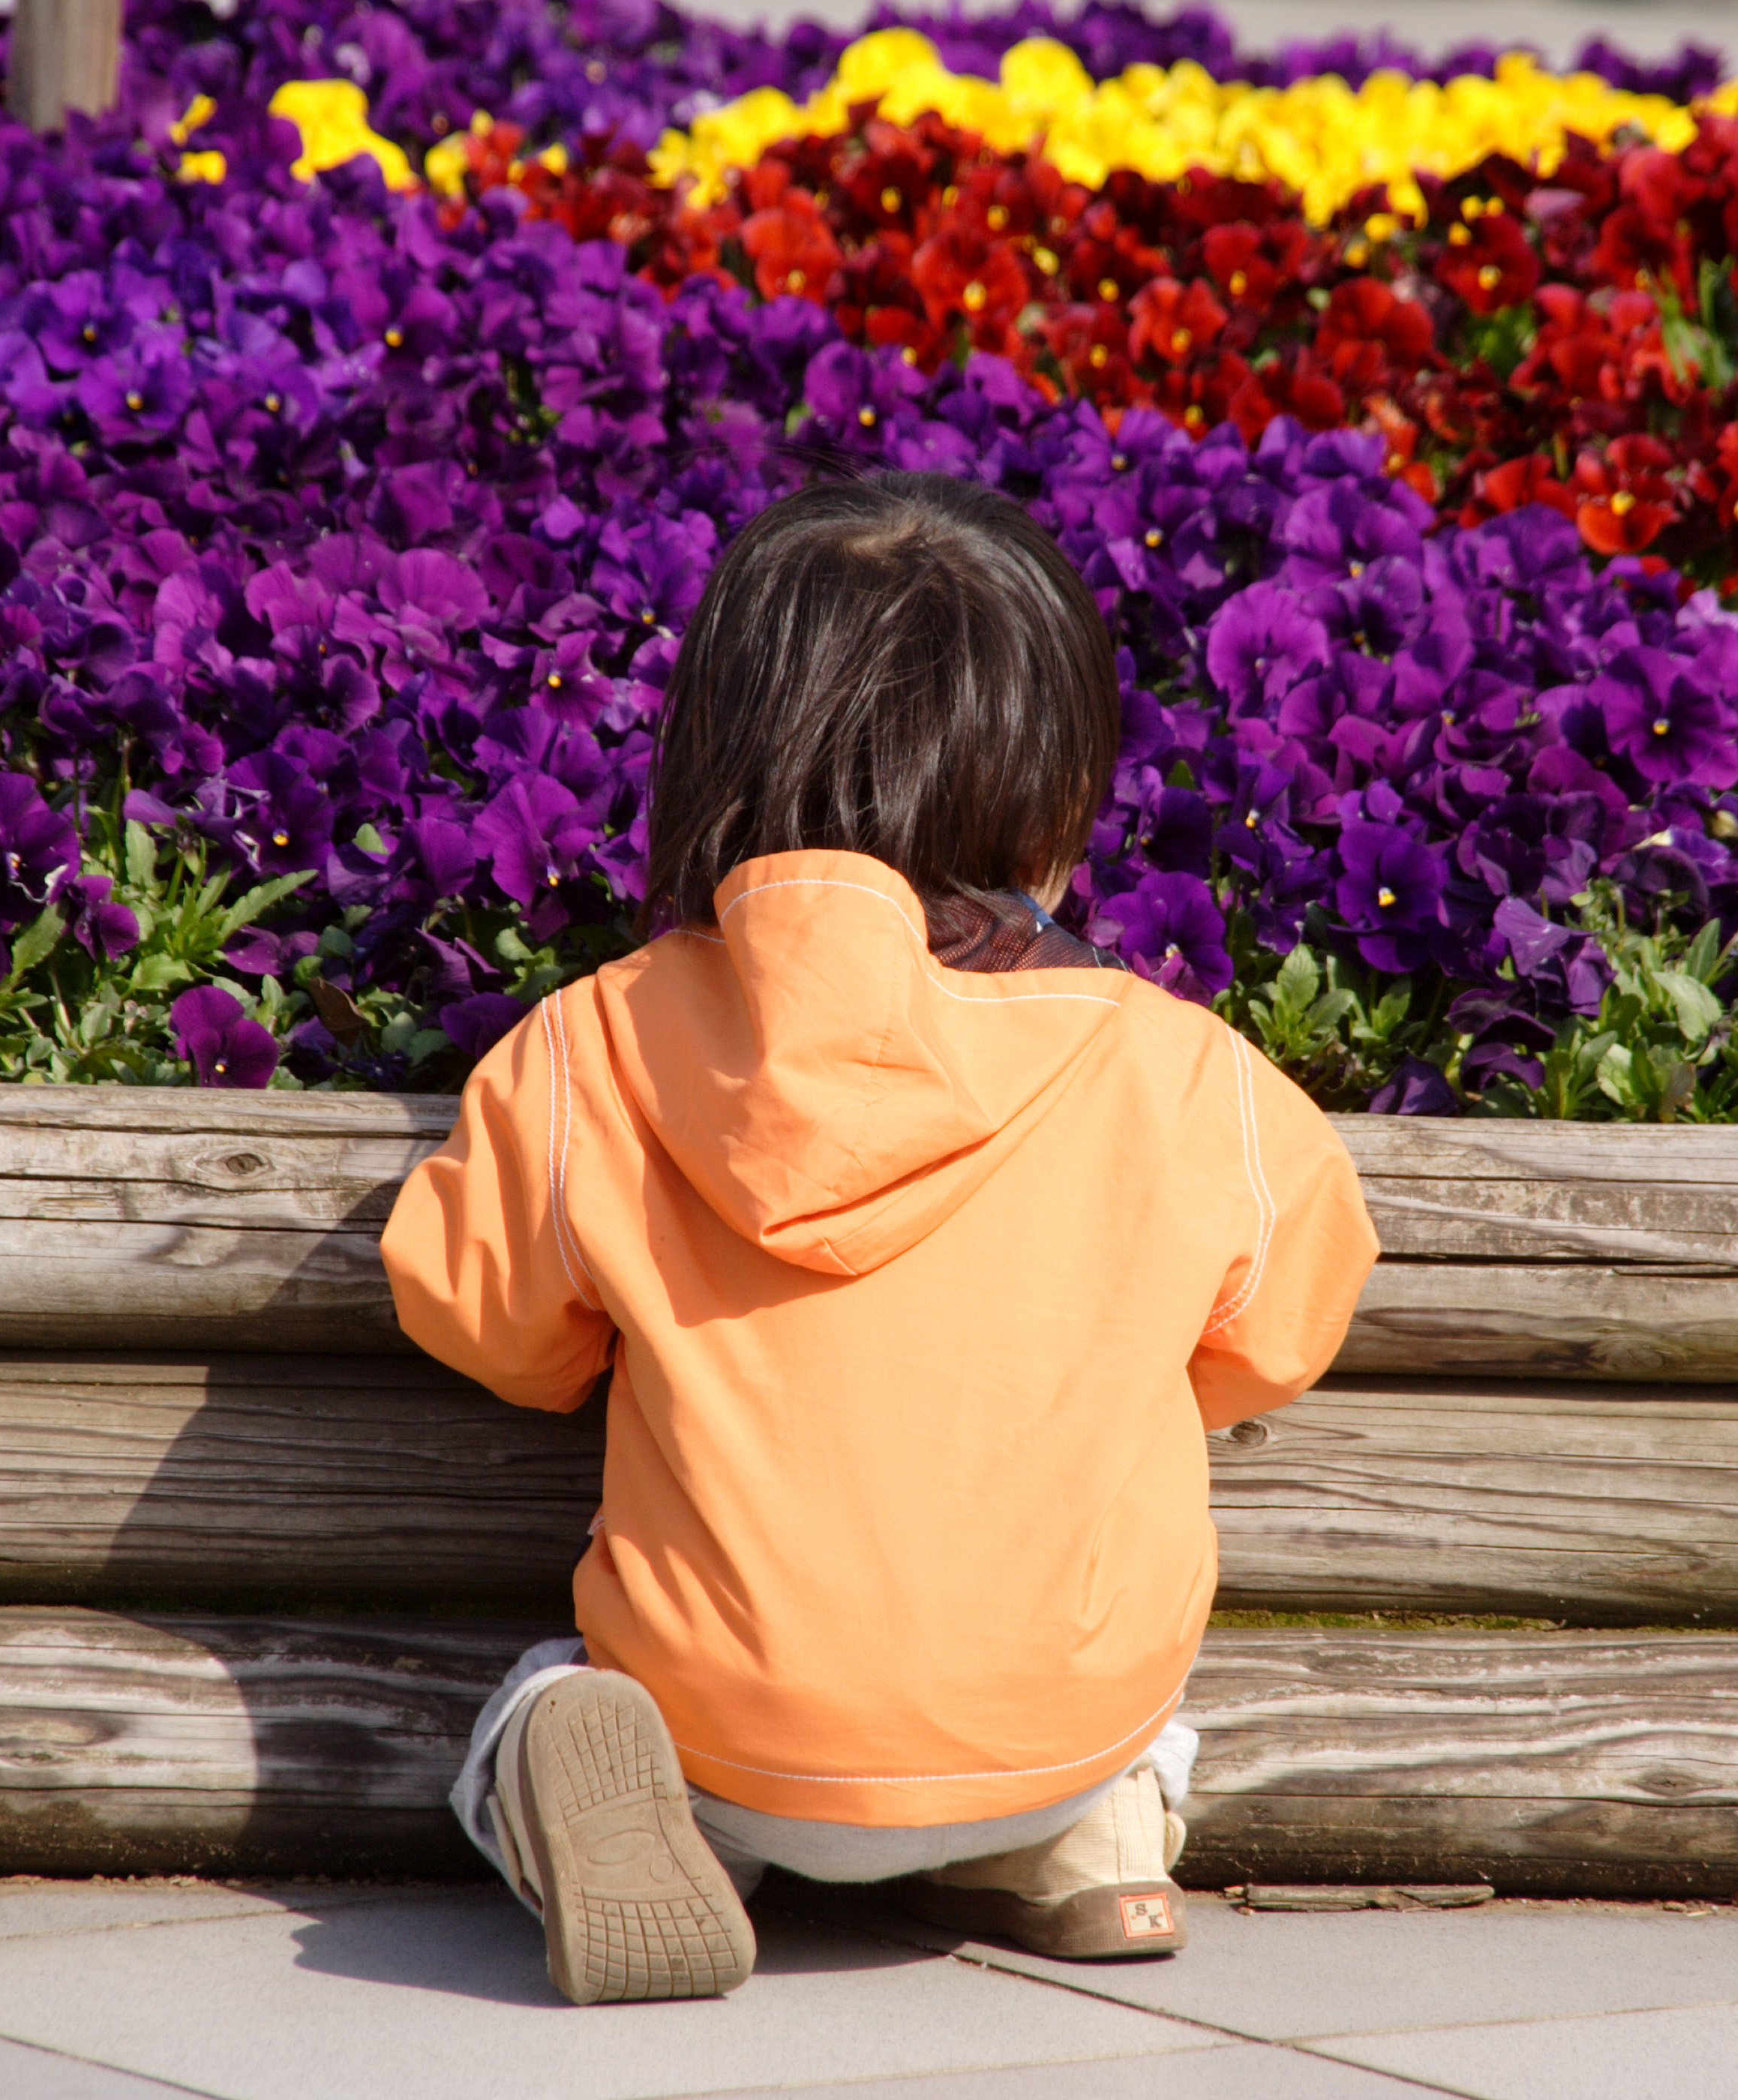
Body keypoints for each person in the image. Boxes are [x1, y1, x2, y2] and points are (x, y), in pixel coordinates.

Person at [380, 470, 1377, 2006]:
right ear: (1058, 799)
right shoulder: (1179, 1072)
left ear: (712, 759)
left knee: (562, 1702)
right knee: (1118, 1713)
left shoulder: (595, 1048)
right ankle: (1096, 1840)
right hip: (1051, 1725)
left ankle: (633, 1814)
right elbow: (1278, 1331)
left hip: (727, 1732)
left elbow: (492, 1328)